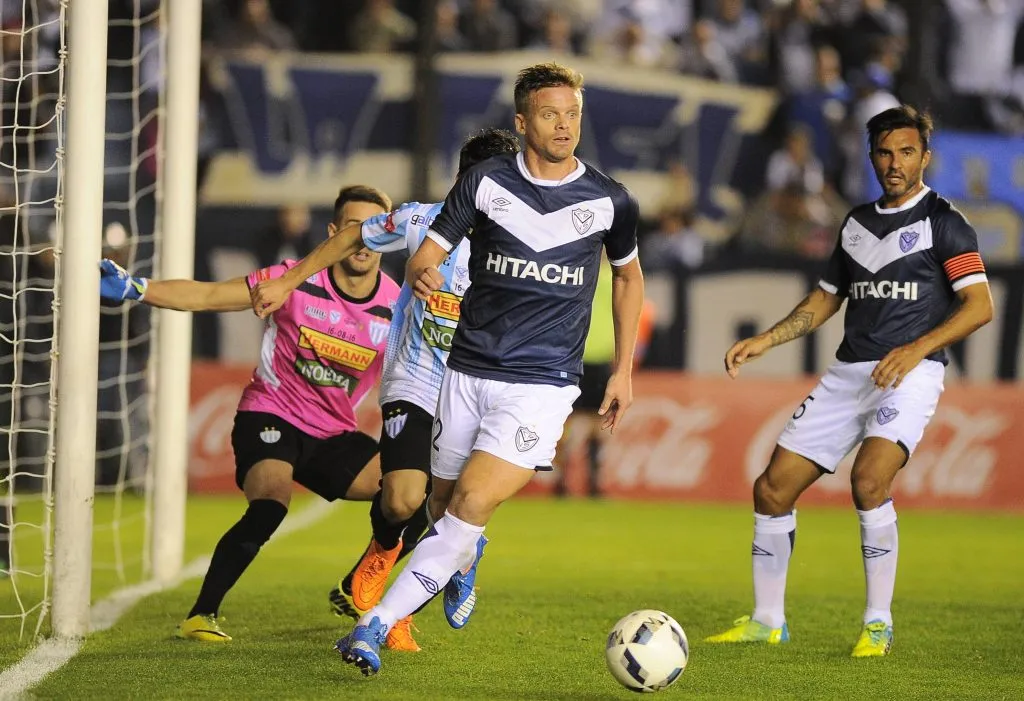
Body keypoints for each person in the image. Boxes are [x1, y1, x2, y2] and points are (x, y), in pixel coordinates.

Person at [333, 62, 646, 676]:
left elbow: (630, 277)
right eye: (551, 114)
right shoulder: (483, 184)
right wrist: (421, 269)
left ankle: (374, 625)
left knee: (471, 501)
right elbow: (430, 250)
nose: (564, 125)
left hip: (543, 384)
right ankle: (464, 555)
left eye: (574, 112)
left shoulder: (610, 199)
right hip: (467, 372)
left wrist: (624, 369)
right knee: (444, 506)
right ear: (523, 121)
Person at [706, 106, 993, 657]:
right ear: (871, 156)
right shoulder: (857, 222)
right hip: (849, 373)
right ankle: (768, 620)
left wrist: (915, 350)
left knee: (869, 479)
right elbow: (825, 297)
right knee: (771, 489)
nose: (895, 163)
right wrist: (767, 338)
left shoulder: (945, 222)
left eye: (907, 152)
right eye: (885, 152)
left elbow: (979, 306)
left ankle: (877, 623)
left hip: (911, 373)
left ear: (925, 157)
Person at [98, 185, 413, 647]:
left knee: (409, 497)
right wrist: (138, 288)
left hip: (334, 433)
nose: (364, 240)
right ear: (332, 234)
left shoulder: (399, 305)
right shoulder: (293, 281)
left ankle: (363, 584)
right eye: (353, 228)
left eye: (375, 230)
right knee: (270, 504)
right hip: (272, 414)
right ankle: (201, 613)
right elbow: (208, 297)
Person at [249, 128, 523, 648]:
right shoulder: (423, 221)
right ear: (467, 180)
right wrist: (288, 280)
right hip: (416, 379)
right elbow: (353, 236)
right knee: (401, 500)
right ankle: (384, 548)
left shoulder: (524, 243)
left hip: (476, 383)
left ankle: (435, 581)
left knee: (456, 507)